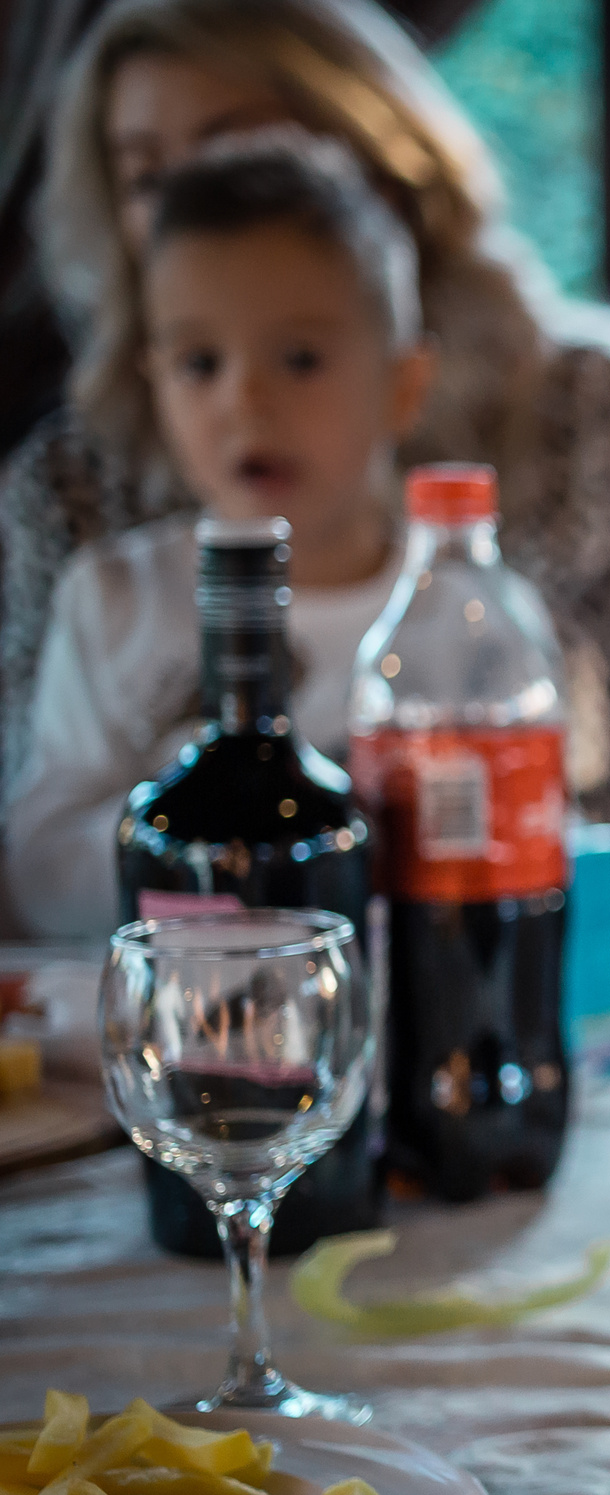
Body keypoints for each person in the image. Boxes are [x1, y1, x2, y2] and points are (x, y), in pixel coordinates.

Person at [0, 0, 610, 944]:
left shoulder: (591, 425)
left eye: (250, 154)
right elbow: (30, 849)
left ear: (380, 167)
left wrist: (525, 968)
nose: (208, 209)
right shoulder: (81, 506)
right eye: (150, 177)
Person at [5, 133, 428, 930]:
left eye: (300, 358)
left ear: (404, 384)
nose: (245, 401)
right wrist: (217, 812)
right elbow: (41, 876)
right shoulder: (113, 599)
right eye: (200, 363)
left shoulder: (456, 620)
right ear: (153, 383)